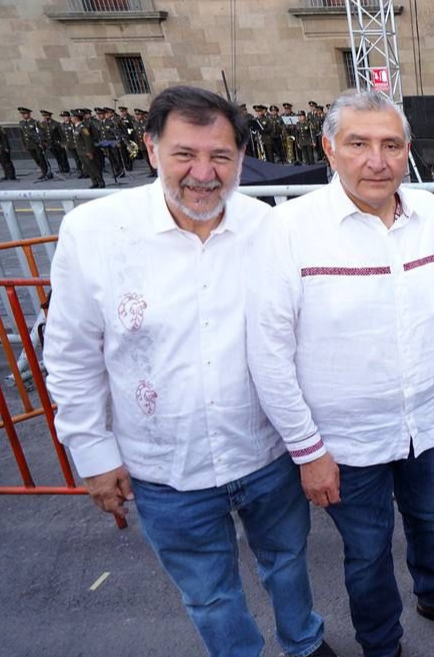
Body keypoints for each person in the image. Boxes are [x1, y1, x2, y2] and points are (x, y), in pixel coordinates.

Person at [44, 85, 335, 657]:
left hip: (266, 455)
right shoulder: (94, 232)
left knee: (288, 563)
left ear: (240, 159)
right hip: (166, 469)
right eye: (185, 154)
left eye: (220, 157)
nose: (203, 173)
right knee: (209, 595)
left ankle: (304, 643)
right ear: (152, 149)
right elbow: (72, 356)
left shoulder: (267, 227)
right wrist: (94, 455)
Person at [246, 90, 434, 656]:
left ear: (407, 151)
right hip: (344, 445)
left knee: (430, 522)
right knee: (367, 551)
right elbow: (268, 354)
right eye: (358, 144)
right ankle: (383, 644)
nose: (376, 160)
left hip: (425, 426)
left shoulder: (431, 212)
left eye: (390, 144)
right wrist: (309, 453)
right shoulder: (289, 229)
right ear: (329, 149)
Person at [17, 107, 54, 180]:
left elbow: (41, 132)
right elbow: (22, 135)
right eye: (23, 114)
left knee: (42, 158)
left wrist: (42, 142)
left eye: (25, 114)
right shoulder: (21, 123)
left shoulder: (35, 122)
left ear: (29, 114)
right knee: (36, 159)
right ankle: (43, 171)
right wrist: (24, 145)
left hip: (37, 144)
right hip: (29, 144)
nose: (24, 115)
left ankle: (47, 172)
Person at [72, 109, 104, 188]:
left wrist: (90, 151)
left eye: (72, 116)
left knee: (93, 167)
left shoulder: (83, 127)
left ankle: (101, 182)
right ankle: (94, 182)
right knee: (88, 168)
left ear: (76, 118)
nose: (71, 118)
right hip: (81, 152)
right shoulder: (77, 127)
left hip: (86, 151)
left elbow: (88, 140)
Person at [38, 109, 70, 177]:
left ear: (50, 116)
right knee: (57, 156)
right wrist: (44, 141)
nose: (45, 117)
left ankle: (66, 168)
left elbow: (61, 134)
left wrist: (63, 143)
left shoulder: (56, 123)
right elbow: (42, 133)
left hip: (57, 143)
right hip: (50, 144)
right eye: (44, 116)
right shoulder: (43, 124)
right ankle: (61, 167)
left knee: (62, 156)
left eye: (46, 116)